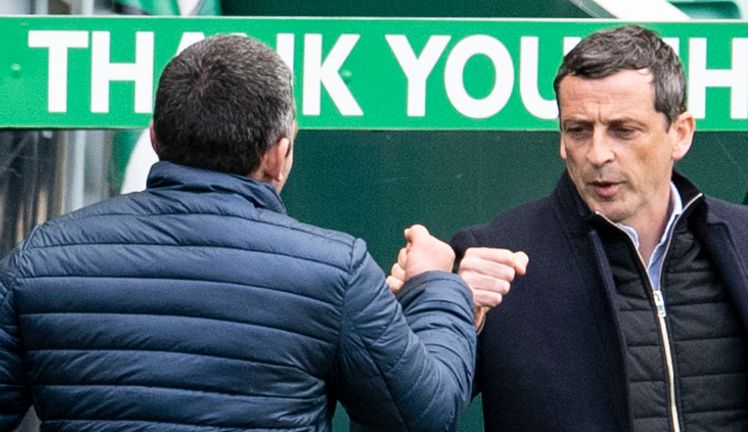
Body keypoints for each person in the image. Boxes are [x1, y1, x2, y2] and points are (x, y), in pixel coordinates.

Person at [0, 35, 477, 431]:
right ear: (278, 154)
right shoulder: (337, 271)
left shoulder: (41, 257)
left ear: (154, 138)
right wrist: (435, 287)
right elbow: (425, 417)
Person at [406, 25, 748, 430]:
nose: (597, 154)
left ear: (680, 134)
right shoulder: (491, 257)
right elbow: (407, 416)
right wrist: (439, 308)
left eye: (623, 130)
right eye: (578, 130)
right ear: (561, 138)